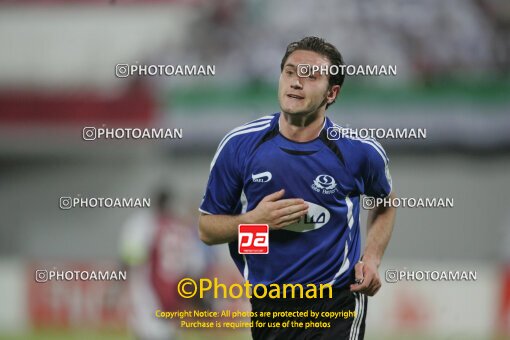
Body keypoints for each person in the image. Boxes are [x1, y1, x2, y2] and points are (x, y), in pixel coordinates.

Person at [198, 36, 397, 340]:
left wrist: (371, 258)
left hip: (335, 304)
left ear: (332, 93)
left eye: (310, 77)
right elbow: (207, 229)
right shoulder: (239, 146)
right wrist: (253, 221)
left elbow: (385, 202)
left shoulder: (359, 152)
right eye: (290, 72)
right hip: (268, 307)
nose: (295, 83)